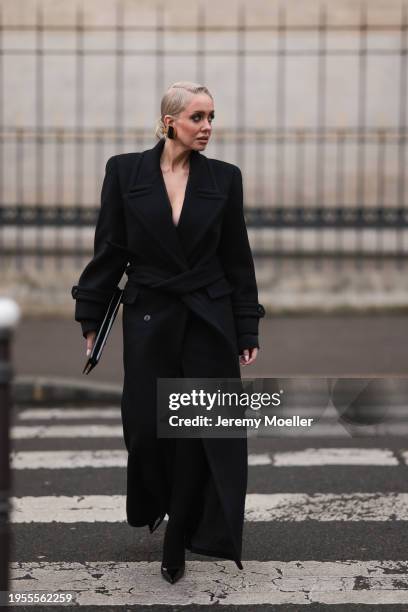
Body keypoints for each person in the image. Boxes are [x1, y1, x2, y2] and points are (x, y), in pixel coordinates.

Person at [71, 81, 265, 584]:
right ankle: (155, 502)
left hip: (208, 316)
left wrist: (247, 324)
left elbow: (236, 258)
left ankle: (178, 540)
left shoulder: (225, 178)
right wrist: (91, 317)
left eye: (212, 117)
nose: (207, 128)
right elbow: (110, 248)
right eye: (198, 117)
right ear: (169, 121)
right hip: (149, 314)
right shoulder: (125, 171)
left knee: (196, 431)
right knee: (145, 426)